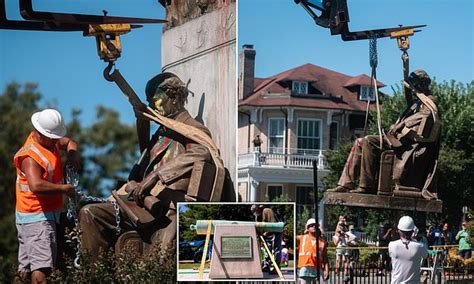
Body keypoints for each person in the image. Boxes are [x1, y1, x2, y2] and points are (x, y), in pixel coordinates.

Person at [79, 72, 228, 261]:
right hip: (140, 204)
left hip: (167, 209)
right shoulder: (163, 131)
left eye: (154, 100)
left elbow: (202, 151)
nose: (151, 106)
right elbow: (145, 156)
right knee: (90, 213)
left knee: (160, 262)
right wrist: (142, 121)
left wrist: (158, 175)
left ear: (173, 97)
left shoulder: (191, 128)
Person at [328, 70, 440, 198]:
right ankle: (346, 183)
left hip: (407, 143)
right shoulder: (416, 102)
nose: (413, 86)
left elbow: (425, 115)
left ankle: (366, 186)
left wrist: (401, 125)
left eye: (415, 83)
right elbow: (409, 97)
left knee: (369, 140)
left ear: (422, 84)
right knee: (359, 142)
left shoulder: (429, 100)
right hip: (398, 138)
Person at [13, 109, 79, 283]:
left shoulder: (51, 141)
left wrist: (72, 156)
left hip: (37, 215)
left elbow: (70, 142)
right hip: (36, 217)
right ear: (40, 133)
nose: (57, 140)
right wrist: (64, 189)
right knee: (42, 267)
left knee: (25, 269)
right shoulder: (30, 157)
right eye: (53, 137)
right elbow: (36, 185)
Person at [389, 216, 428, 284]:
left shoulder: (392, 245)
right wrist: (414, 238)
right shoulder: (420, 246)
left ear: (399, 230)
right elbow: (426, 255)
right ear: (413, 231)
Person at [296, 218, 329, 283]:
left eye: (316, 225)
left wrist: (327, 270)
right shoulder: (301, 238)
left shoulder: (322, 242)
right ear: (307, 228)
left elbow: (325, 259)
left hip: (318, 269)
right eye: (311, 225)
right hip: (304, 269)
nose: (314, 226)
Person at [251, 204, 282, 273]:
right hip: (267, 234)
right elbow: (258, 229)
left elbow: (273, 224)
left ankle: (276, 268)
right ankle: (266, 266)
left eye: (254, 211)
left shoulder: (267, 211)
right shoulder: (257, 217)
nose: (254, 213)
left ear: (258, 208)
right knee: (267, 250)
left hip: (276, 232)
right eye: (253, 212)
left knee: (276, 250)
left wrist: (266, 233)